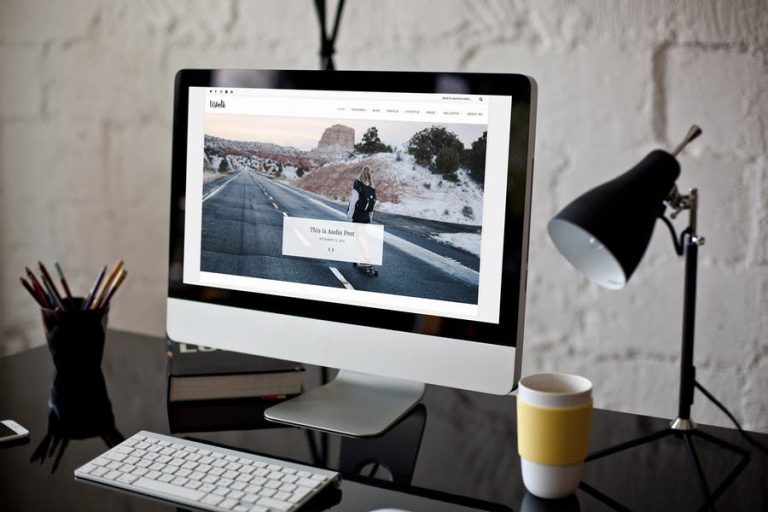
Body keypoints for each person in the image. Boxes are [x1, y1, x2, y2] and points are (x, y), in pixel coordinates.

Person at [347, 166, 378, 275]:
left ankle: (367, 262)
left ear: (361, 173)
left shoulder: (358, 183)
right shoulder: (372, 187)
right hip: (365, 218)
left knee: (360, 239)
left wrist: (349, 215)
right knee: (361, 238)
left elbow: (353, 200)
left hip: (358, 216)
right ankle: (358, 259)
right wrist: (370, 219)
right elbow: (372, 206)